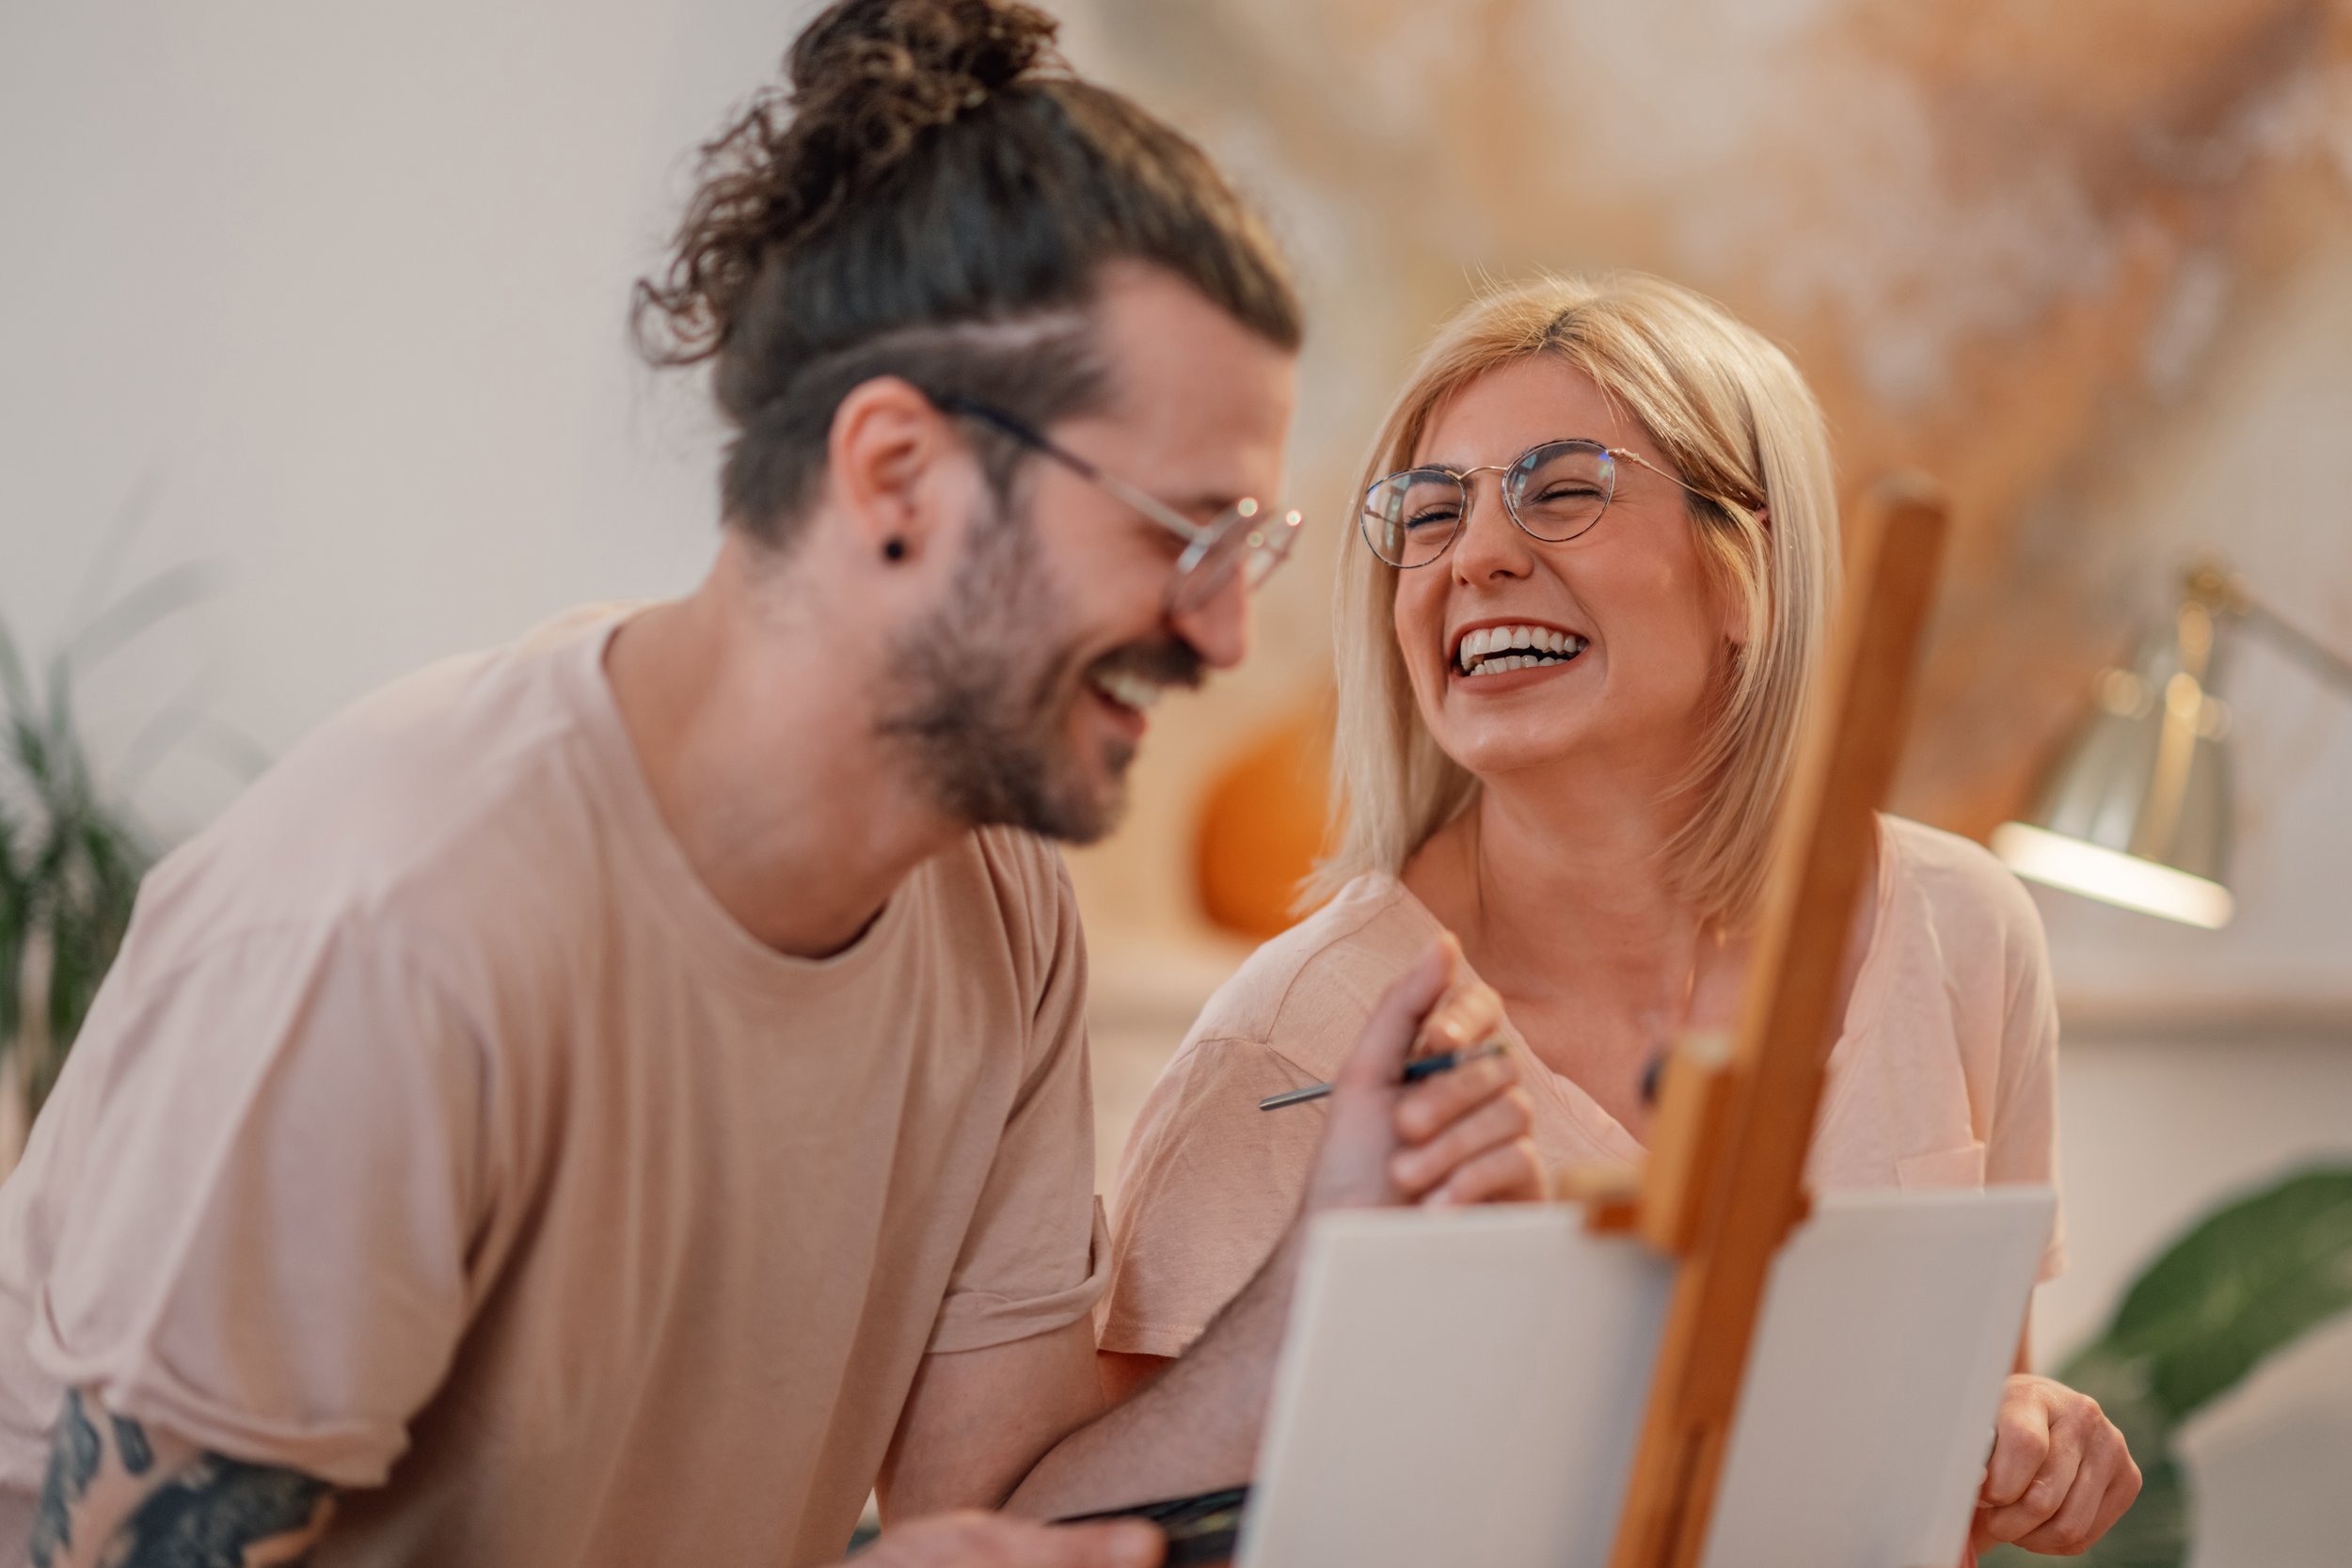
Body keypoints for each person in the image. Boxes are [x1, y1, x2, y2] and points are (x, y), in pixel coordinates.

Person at [0, 5, 1546, 1565]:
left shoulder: (994, 896)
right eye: (1185, 534)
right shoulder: (394, 929)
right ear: (895, 475)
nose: (1222, 635)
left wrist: (1308, 1300)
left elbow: (989, 1514)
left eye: (1254, 554)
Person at [1101, 273, 2142, 1560]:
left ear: (1743, 575)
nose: (1474, 555)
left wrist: (2022, 1445)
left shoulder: (1962, 933)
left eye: (1565, 490)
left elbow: (1945, 1475)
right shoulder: (1295, 1043)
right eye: (1429, 515)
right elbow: (1111, 1541)